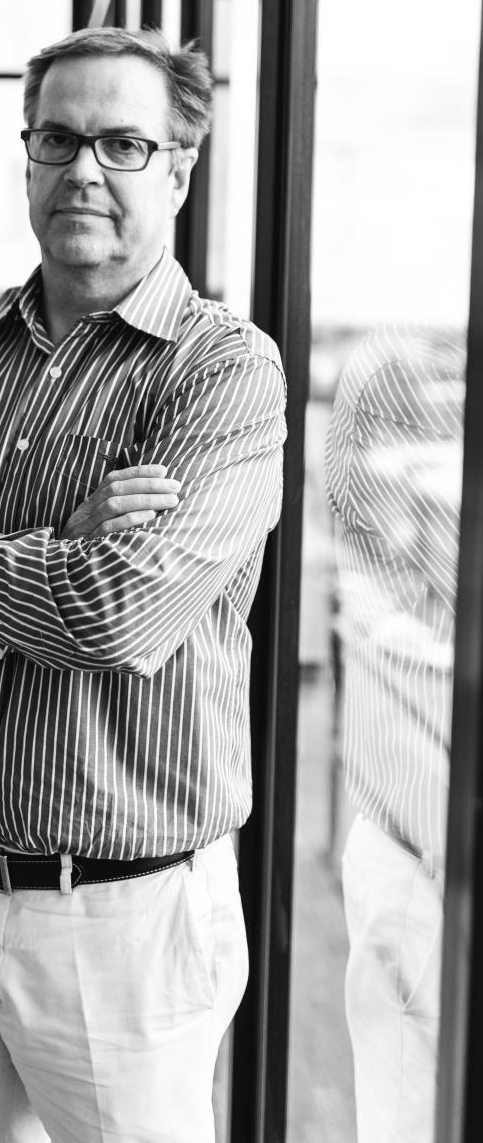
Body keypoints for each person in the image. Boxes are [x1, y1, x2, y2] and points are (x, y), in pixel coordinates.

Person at [0, 25, 286, 1143]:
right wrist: (57, 552)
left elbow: (117, 618)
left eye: (123, 144)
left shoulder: (225, 371)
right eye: (58, 139)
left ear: (178, 170)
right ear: (27, 154)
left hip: (122, 919)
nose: (83, 169)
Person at [324, 323, 464, 1142]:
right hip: (421, 851)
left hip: (417, 840)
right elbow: (365, 531)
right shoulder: (401, 363)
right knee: (409, 1113)